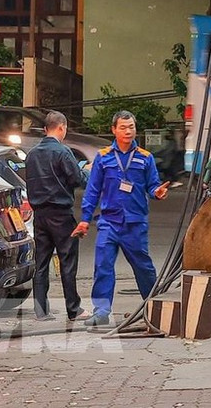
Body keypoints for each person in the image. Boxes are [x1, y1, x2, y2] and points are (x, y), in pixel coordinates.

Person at [72, 110, 169, 327]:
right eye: (123, 127)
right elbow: (93, 190)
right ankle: (102, 311)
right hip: (109, 222)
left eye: (131, 127)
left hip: (135, 223)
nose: (128, 131)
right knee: (103, 266)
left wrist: (157, 192)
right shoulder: (104, 157)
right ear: (114, 130)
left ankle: (152, 307)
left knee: (143, 267)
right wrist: (85, 219)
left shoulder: (145, 157)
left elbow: (153, 185)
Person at [25, 110, 92, 322]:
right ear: (62, 127)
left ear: (45, 129)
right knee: (67, 262)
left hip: (40, 215)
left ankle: (41, 310)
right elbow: (78, 179)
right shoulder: (63, 152)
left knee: (41, 262)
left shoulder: (32, 154)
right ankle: (73, 309)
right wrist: (87, 170)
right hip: (61, 214)